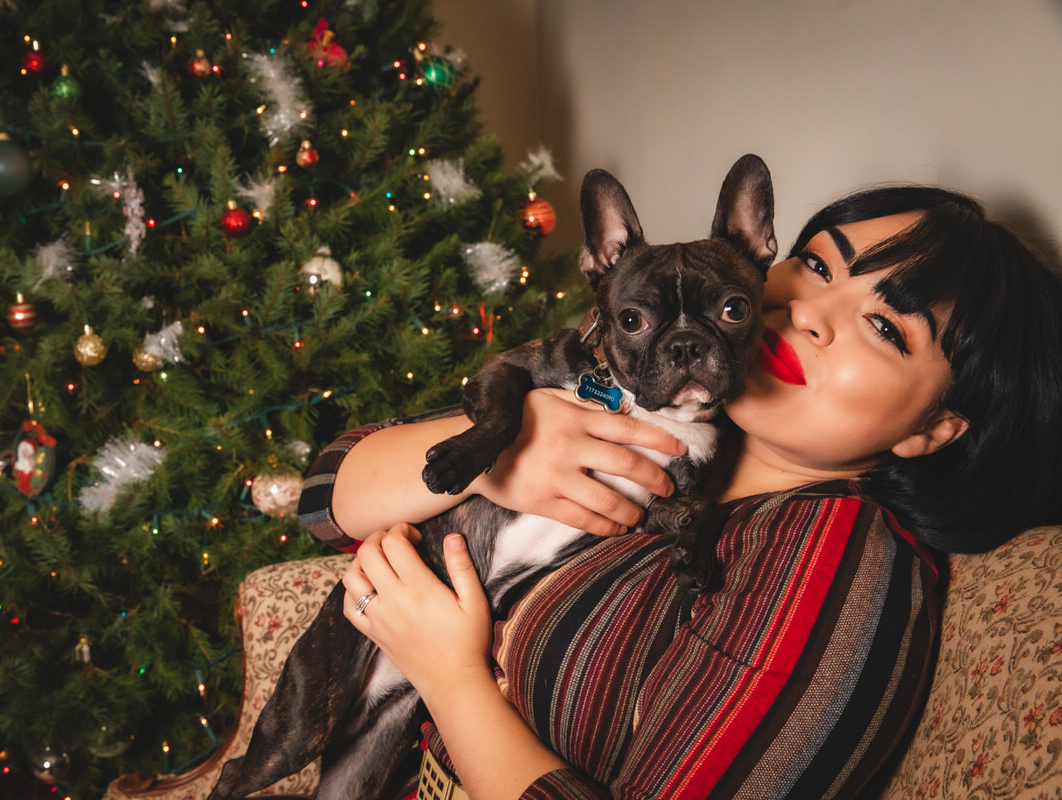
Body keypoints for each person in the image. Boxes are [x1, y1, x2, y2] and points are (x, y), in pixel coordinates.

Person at [297, 184, 1062, 799]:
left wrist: (449, 676)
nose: (805, 315)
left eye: (888, 328)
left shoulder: (830, 558)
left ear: (933, 430)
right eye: (819, 266)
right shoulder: (643, 391)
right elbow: (324, 492)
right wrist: (509, 457)